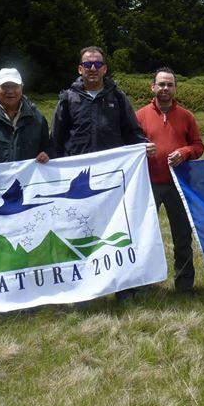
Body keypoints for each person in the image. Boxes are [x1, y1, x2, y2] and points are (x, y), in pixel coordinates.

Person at [51, 46, 153, 301]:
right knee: (80, 232)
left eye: (98, 65)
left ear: (105, 69)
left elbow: (132, 131)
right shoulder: (67, 98)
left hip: (110, 180)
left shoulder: (117, 97)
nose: (93, 69)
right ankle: (84, 290)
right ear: (80, 68)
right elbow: (57, 139)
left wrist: (142, 146)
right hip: (77, 182)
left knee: (115, 232)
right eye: (88, 65)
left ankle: (122, 286)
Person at [136, 67, 204, 293]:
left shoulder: (186, 116)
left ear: (175, 88)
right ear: (153, 87)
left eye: (170, 85)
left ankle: (184, 285)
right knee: (144, 236)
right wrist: (140, 149)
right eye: (161, 84)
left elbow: (199, 146)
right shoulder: (139, 116)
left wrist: (184, 152)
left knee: (182, 236)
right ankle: (142, 284)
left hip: (179, 186)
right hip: (148, 185)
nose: (165, 88)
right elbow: (128, 147)